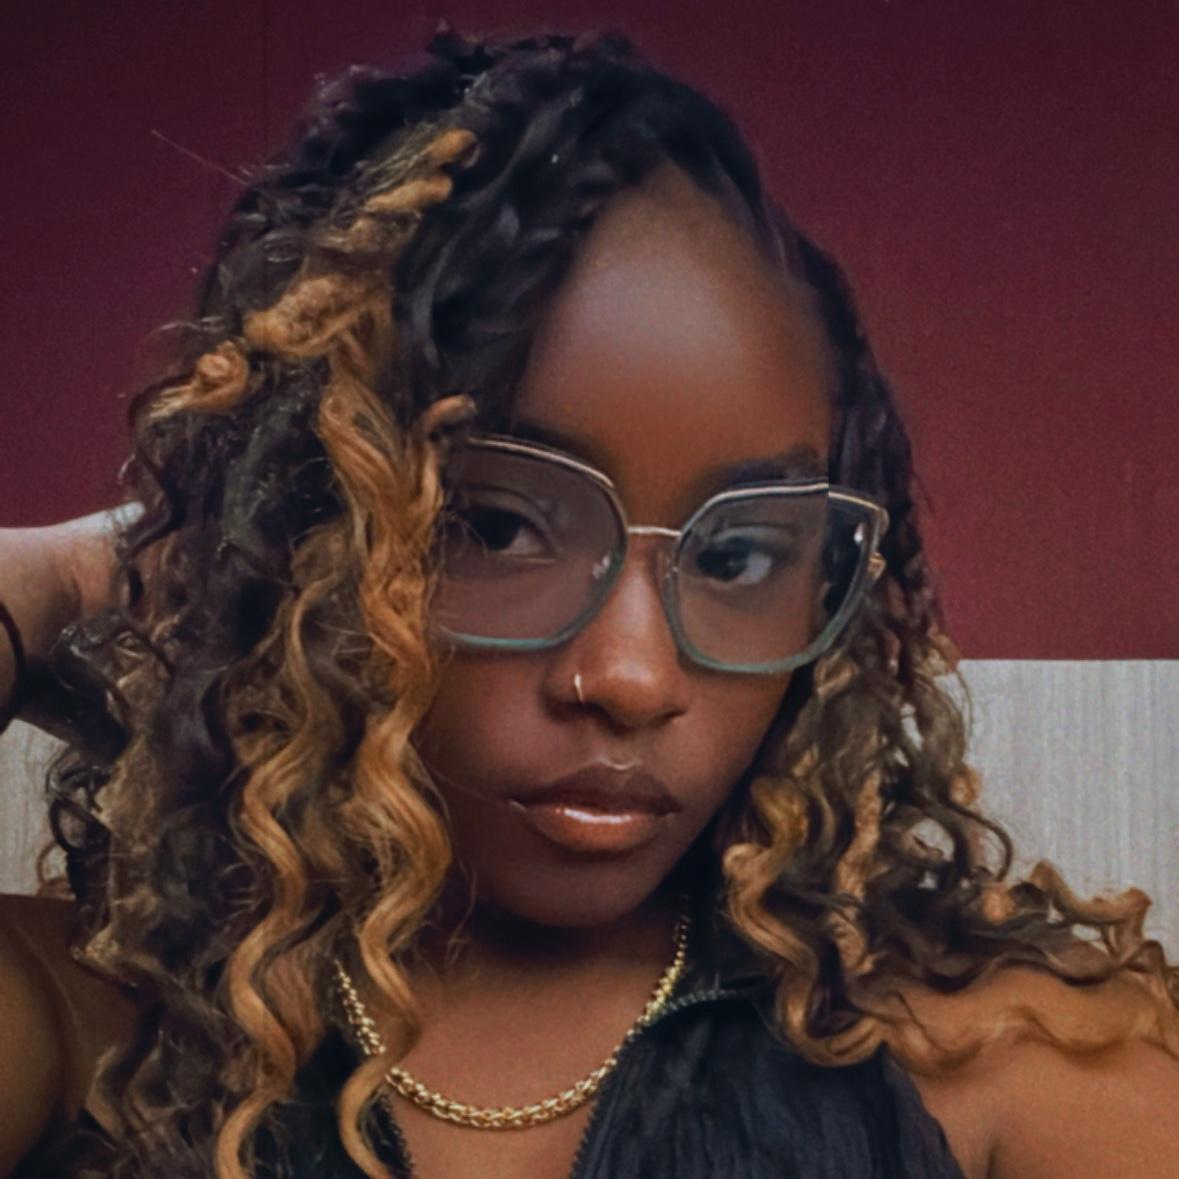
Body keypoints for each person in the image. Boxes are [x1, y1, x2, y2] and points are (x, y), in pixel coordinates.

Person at [1, 27, 1177, 1179]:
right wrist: (77, 575)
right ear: (322, 544)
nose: (631, 678)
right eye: (496, 526)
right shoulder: (112, 1031)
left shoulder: (1006, 1058)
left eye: (740, 556)